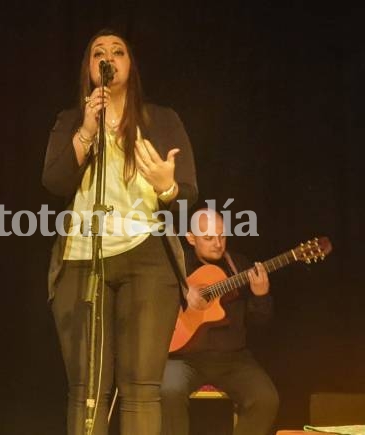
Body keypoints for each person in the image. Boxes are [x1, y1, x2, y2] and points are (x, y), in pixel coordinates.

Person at [42, 28, 198, 435]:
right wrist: (88, 129)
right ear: (90, 67)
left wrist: (167, 184)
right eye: (98, 53)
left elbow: (189, 197)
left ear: (130, 65)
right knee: (86, 389)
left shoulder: (162, 119)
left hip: (147, 257)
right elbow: (55, 182)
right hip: (81, 258)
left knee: (141, 388)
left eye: (118, 51)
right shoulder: (71, 120)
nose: (107, 58)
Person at [161, 209, 279, 435]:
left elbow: (259, 323)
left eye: (221, 236)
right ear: (191, 238)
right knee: (168, 390)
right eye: (208, 238)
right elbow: (154, 302)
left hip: (233, 360)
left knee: (266, 399)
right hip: (184, 359)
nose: (217, 244)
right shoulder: (177, 267)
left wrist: (261, 296)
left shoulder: (240, 265)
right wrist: (182, 292)